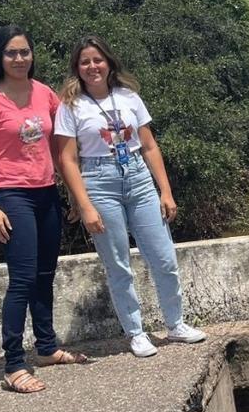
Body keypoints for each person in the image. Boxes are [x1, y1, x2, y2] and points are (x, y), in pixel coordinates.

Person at [54, 34, 206, 358]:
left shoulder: (128, 96)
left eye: (98, 60)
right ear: (77, 68)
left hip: (137, 176)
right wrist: (85, 205)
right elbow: (67, 159)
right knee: (118, 264)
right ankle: (135, 332)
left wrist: (165, 190)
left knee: (163, 256)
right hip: (98, 181)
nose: (92, 66)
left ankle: (175, 324)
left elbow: (149, 146)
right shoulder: (70, 105)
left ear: (109, 62)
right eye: (85, 62)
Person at [0, 24, 88, 394]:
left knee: (44, 275)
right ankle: (13, 363)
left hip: (46, 191)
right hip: (11, 194)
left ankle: (47, 347)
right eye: (11, 53)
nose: (19, 59)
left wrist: (72, 193)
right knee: (21, 280)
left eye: (24, 52)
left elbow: (61, 149)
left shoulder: (44, 94)